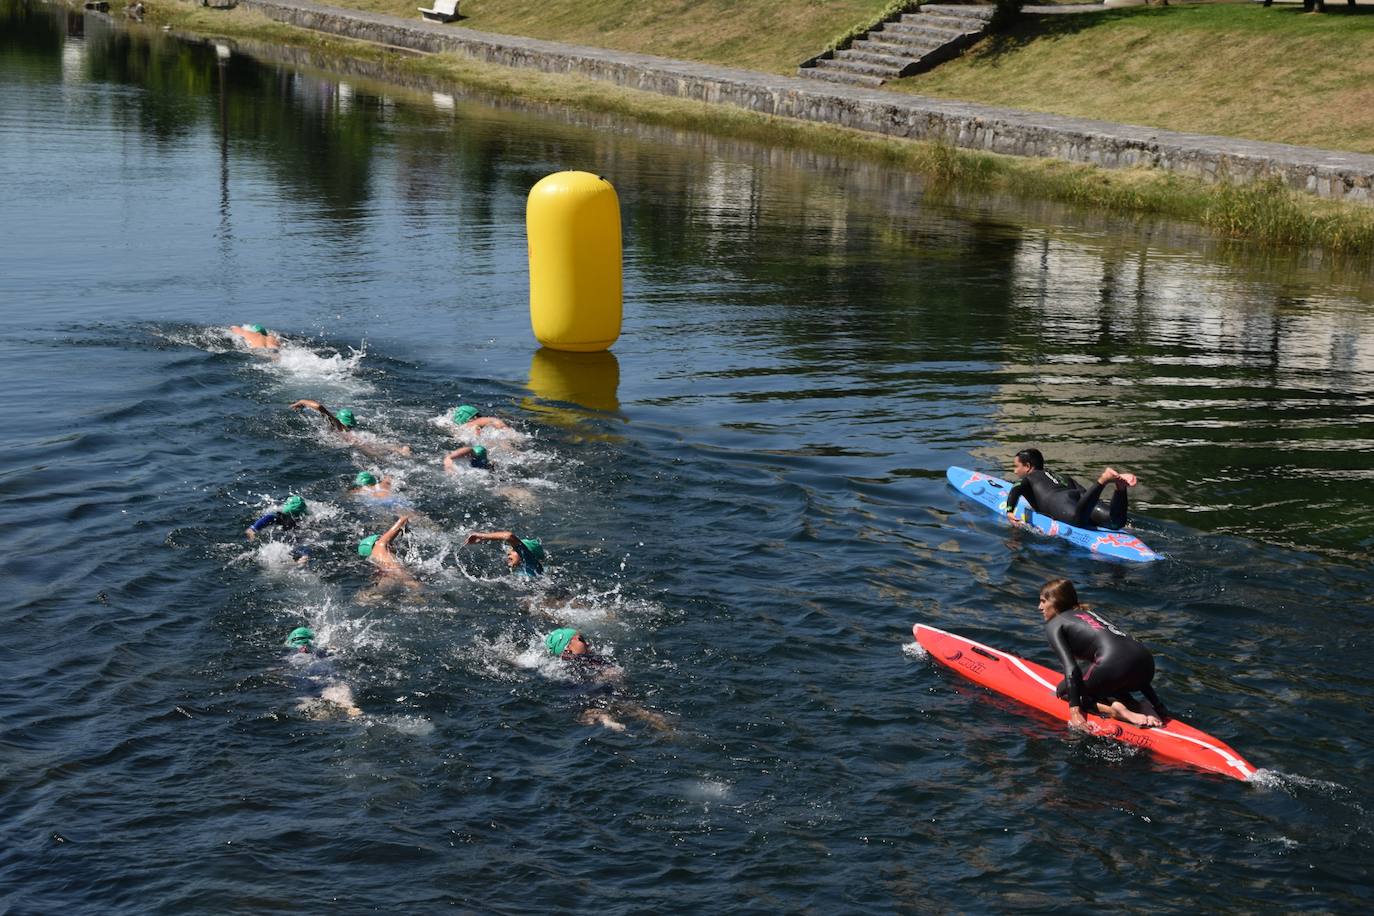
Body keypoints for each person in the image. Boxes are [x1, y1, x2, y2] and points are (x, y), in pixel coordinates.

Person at [1038, 579, 1167, 731]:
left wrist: (1075, 711)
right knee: (1109, 677)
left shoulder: (1055, 624)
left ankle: (1117, 710)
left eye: (1043, 601)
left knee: (1064, 691)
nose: (1039, 607)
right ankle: (1142, 706)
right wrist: (1157, 704)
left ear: (1056, 601)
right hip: (1145, 665)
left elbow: (1071, 669)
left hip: (1114, 667)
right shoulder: (1090, 613)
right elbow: (1128, 657)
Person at [544, 628, 667, 732]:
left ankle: (604, 719)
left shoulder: (558, 668)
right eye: (581, 639)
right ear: (567, 648)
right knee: (644, 713)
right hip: (599, 689)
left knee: (590, 708)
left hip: (586, 692)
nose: (588, 644)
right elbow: (613, 673)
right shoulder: (586, 660)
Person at [1004, 448, 1137, 530]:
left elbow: (1016, 489)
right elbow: (1084, 493)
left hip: (1060, 501)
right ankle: (1120, 488)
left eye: (1016, 466)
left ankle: (1103, 480)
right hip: (1078, 496)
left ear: (1027, 466)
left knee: (1077, 521)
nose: (1015, 471)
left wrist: (1009, 512)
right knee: (1115, 522)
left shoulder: (1029, 477)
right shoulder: (1061, 476)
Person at [289, 399, 411, 458]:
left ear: (339, 419)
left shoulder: (337, 426)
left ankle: (398, 453)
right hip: (359, 439)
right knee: (378, 444)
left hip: (355, 444)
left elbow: (320, 407)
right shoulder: (349, 431)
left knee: (377, 456)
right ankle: (401, 450)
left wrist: (301, 401)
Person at [285, 627, 361, 717]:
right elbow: (334, 652)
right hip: (323, 669)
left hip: (306, 675)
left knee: (309, 701)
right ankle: (348, 706)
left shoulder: (290, 655)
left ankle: (320, 715)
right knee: (335, 686)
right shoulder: (318, 651)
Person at [358, 514, 422, 592]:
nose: (392, 543)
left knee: (376, 592)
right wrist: (407, 515)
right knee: (416, 586)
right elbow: (402, 521)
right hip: (400, 575)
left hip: (388, 576)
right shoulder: (379, 546)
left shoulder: (375, 558)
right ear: (376, 542)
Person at [464, 530, 544, 577]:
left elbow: (509, 536)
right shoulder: (522, 571)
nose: (509, 553)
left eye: (514, 550)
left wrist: (481, 536)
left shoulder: (532, 565)